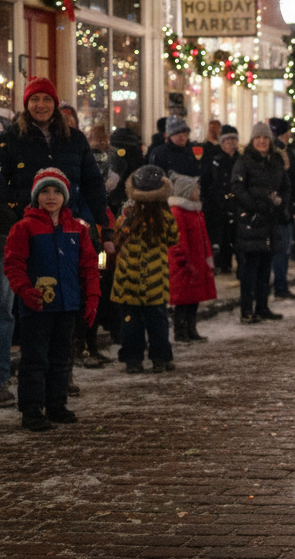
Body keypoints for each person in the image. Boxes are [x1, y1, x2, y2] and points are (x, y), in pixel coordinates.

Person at [0, 77, 114, 406]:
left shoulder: (74, 139)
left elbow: (93, 183)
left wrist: (105, 226)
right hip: (24, 233)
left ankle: (62, 375)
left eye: (46, 100)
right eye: (34, 100)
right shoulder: (12, 138)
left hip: (69, 233)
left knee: (66, 300)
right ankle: (24, 378)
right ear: (26, 104)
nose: (41, 106)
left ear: (55, 103)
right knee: (22, 303)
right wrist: (13, 218)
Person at [3, 168, 100, 431]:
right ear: (36, 196)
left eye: (57, 191)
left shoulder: (76, 230)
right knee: (35, 359)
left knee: (61, 357)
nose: (51, 196)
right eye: (45, 191)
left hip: (67, 304)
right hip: (37, 307)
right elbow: (13, 264)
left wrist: (91, 297)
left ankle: (56, 403)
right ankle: (32, 409)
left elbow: (89, 266)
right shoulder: (24, 228)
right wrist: (24, 290)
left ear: (65, 196)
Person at [110, 165, 179, 374]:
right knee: (157, 323)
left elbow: (117, 238)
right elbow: (173, 238)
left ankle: (133, 359)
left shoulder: (128, 216)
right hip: (154, 280)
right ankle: (160, 358)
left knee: (130, 322)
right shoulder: (164, 217)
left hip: (128, 280)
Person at [231, 122, 290, 324]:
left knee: (265, 267)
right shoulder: (244, 161)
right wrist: (255, 207)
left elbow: (285, 186)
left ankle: (262, 307)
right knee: (249, 269)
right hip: (251, 221)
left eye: (265, 138)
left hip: (269, 222)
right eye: (258, 138)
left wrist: (280, 202)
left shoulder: (275, 162)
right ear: (253, 141)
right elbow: (237, 188)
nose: (262, 141)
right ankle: (247, 309)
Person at [168, 172, 216, 344]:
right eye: (196, 189)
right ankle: (180, 331)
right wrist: (183, 261)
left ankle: (191, 329)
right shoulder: (178, 212)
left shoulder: (195, 211)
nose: (199, 191)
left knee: (193, 298)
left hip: (196, 261)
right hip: (185, 264)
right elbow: (178, 241)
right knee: (183, 300)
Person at [268, 117, 295, 300]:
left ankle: (278, 285)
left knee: (281, 249)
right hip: (282, 209)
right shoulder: (281, 152)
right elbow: (290, 179)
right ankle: (279, 286)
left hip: (285, 207)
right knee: (281, 249)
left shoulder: (284, 151)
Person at [200, 123, 239, 275]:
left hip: (234, 204)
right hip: (216, 206)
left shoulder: (239, 160)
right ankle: (217, 263)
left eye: (233, 141)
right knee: (217, 238)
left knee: (232, 237)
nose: (231, 144)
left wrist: (232, 196)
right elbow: (208, 182)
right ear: (222, 142)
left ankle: (227, 264)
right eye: (228, 141)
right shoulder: (214, 160)